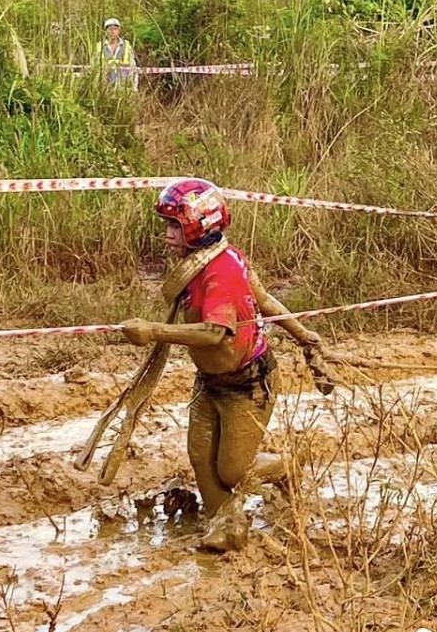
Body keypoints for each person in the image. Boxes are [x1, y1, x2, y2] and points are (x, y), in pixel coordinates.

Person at [112, 180, 333, 551]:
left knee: (232, 471)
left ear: (199, 227)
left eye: (174, 227)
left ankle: (288, 465)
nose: (167, 235)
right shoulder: (210, 262)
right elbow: (265, 301)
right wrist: (303, 333)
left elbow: (215, 334)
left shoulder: (222, 272)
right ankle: (226, 525)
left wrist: (153, 332)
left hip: (248, 385)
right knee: (200, 456)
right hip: (210, 381)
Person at [96, 18, 137, 89]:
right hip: (105, 88)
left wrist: (134, 88)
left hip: (124, 87)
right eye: (110, 29)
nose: (112, 32)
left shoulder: (126, 45)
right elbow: (95, 67)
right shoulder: (100, 46)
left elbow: (133, 68)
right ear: (105, 31)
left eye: (115, 29)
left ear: (119, 31)